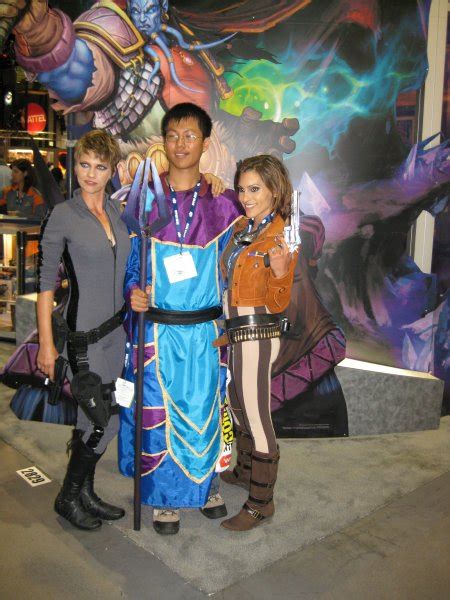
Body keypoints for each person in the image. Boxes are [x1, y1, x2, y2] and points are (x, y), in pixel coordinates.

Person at [118, 102, 241, 535]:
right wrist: (132, 293)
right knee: (160, 412)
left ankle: (207, 486)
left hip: (205, 332)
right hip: (158, 331)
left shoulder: (224, 205)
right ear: (164, 142)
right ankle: (163, 499)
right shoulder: (144, 201)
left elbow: (234, 270)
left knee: (206, 408)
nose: (180, 143)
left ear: (205, 143)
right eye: (172, 135)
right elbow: (133, 265)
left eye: (190, 135)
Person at [36, 129, 131, 530]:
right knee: (105, 420)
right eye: (84, 164)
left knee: (92, 420)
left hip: (116, 336)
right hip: (82, 341)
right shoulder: (64, 215)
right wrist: (46, 345)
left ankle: (85, 493)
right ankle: (68, 496)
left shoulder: (116, 211)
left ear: (112, 170)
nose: (90, 174)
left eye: (100, 166)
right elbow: (45, 285)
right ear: (75, 165)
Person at [217, 154, 298, 531]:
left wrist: (280, 274)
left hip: (259, 334)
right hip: (236, 332)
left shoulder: (281, 237)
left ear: (274, 191)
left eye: (254, 189)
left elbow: (279, 303)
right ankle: (246, 470)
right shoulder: (241, 227)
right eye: (241, 189)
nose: (245, 197)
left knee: (257, 414)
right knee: (238, 404)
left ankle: (261, 502)